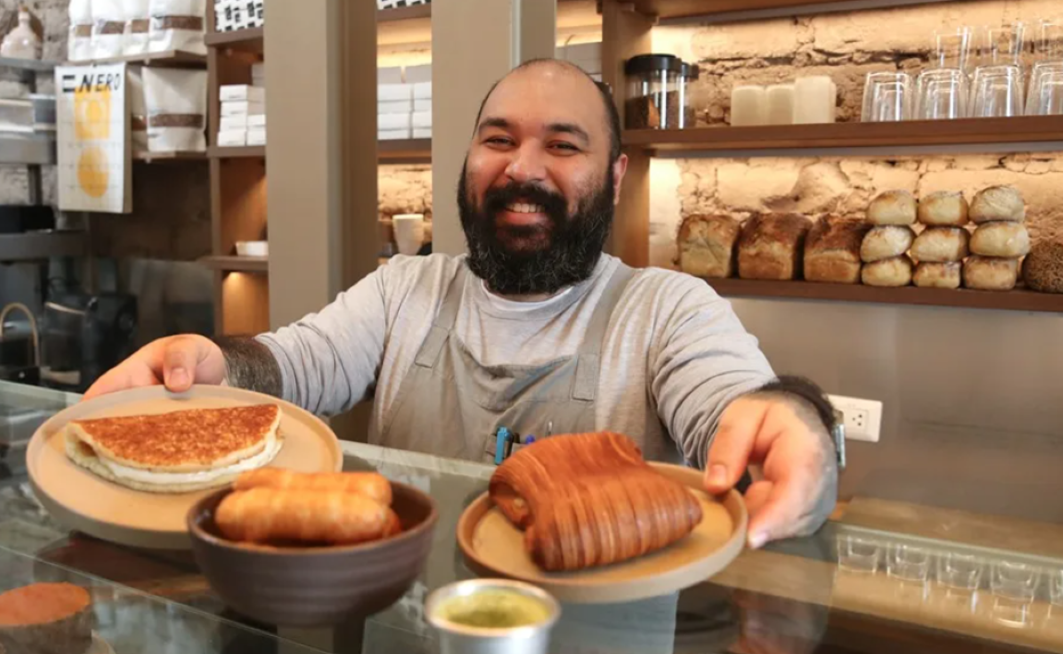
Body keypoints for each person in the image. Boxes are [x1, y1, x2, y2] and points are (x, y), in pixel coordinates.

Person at [86, 59, 838, 550]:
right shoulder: (403, 287)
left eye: (563, 146)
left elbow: (734, 407)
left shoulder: (668, 310)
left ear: (614, 178)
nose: (522, 169)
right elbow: (294, 364)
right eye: (498, 139)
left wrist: (789, 416)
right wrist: (216, 365)